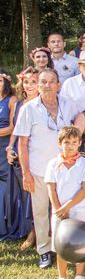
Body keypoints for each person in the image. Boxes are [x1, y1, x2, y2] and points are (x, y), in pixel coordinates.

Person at [14, 69, 79, 268]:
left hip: (66, 168)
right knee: (41, 210)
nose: (47, 85)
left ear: (58, 84)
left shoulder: (68, 104)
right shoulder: (29, 108)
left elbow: (80, 121)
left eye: (52, 81)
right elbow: (22, 143)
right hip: (39, 169)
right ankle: (44, 249)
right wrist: (26, 173)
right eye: (43, 82)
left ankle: (67, 245)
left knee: (65, 209)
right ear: (38, 84)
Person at [45, 126, 85, 279]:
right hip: (59, 212)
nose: (70, 146)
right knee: (62, 244)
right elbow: (51, 189)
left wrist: (68, 207)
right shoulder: (53, 164)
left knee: (81, 242)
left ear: (80, 143)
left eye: (74, 142)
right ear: (60, 143)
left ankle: (80, 275)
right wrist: (59, 209)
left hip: (79, 209)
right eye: (67, 142)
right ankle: (62, 277)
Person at [3, 68, 36, 245]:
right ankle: (24, 228)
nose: (29, 85)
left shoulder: (42, 103)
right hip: (18, 149)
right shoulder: (19, 104)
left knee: (34, 193)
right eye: (26, 82)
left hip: (35, 150)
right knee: (23, 193)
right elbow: (16, 128)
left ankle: (34, 233)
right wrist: (9, 147)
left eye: (33, 82)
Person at [0, 70, 19, 241]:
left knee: (5, 188)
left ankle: (6, 226)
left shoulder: (11, 101)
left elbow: (13, 127)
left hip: (4, 146)